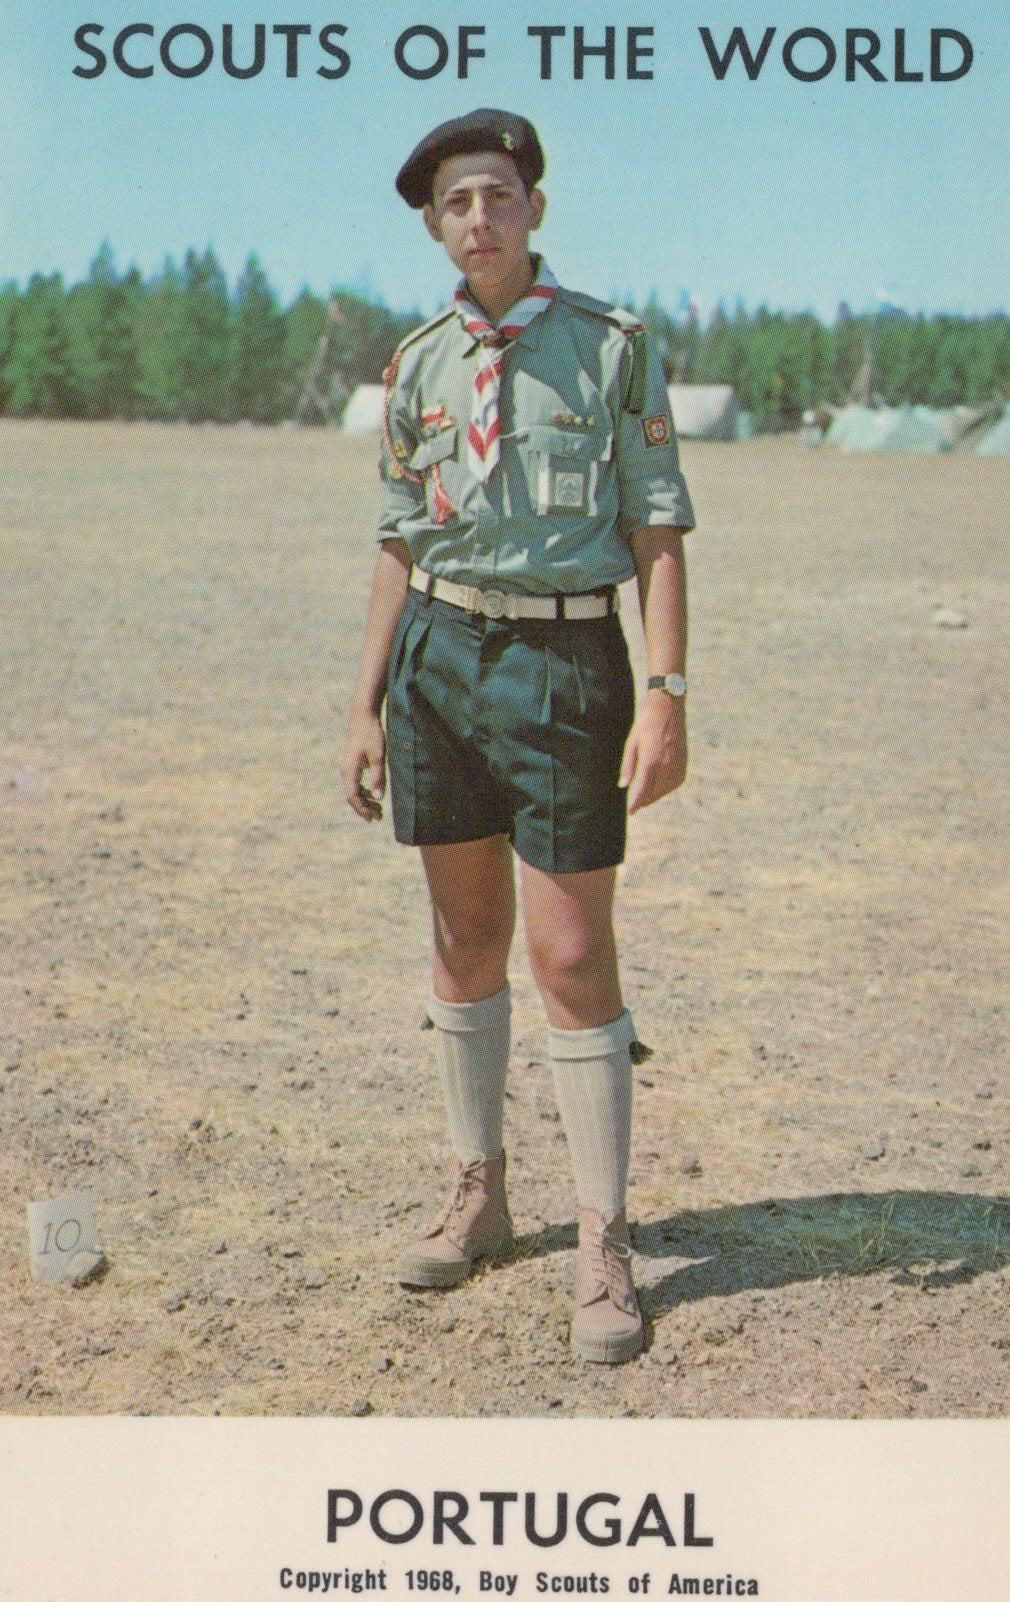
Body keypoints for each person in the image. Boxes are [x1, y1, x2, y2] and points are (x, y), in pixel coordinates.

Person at [341, 109, 694, 1364]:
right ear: (436, 226)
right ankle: (479, 1191)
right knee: (463, 935)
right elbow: (399, 537)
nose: (477, 218)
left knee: (570, 951)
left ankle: (604, 1238)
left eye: (495, 195)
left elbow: (658, 531)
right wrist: (366, 700)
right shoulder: (424, 360)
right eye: (454, 204)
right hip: (441, 656)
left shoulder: (611, 348)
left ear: (533, 209)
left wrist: (668, 693)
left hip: (562, 658)